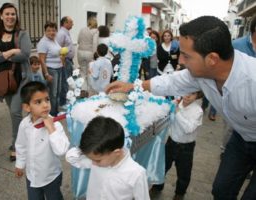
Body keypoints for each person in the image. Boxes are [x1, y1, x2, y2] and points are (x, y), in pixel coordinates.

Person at [106, 16, 256, 199]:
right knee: (221, 190)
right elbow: (172, 81)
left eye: (187, 56)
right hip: (241, 138)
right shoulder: (201, 73)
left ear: (212, 59)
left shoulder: (252, 81)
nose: (182, 61)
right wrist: (133, 86)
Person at [66, 116, 150, 200]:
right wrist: (83, 149)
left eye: (97, 160)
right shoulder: (98, 160)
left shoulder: (136, 174)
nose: (93, 163)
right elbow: (71, 158)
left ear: (116, 153)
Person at [0, 2, 32, 161]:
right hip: (5, 81)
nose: (10, 17)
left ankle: (16, 146)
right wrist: (13, 51)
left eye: (13, 14)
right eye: (7, 14)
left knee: (15, 112)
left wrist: (3, 54)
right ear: (1, 16)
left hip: (21, 79)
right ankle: (27, 136)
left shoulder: (22, 34)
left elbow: (25, 54)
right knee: (15, 114)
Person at [15, 81, 69, 200]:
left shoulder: (55, 125)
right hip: (32, 176)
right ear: (27, 107)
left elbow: (61, 150)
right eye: (38, 102)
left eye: (47, 99)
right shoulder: (24, 124)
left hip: (51, 176)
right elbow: (21, 145)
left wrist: (51, 128)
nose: (45, 105)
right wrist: (20, 164)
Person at [152, 91, 203, 200]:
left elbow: (188, 129)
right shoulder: (176, 103)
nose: (188, 95)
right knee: (163, 165)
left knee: (184, 172)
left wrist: (177, 112)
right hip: (171, 142)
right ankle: (158, 185)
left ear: (197, 96)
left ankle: (180, 193)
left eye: (192, 93)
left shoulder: (197, 111)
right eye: (186, 91)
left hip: (186, 147)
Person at [37, 21, 63, 116]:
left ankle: (56, 111)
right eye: (49, 30)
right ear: (45, 31)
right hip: (51, 70)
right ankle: (52, 114)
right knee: (53, 94)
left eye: (53, 30)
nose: (52, 32)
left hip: (59, 68)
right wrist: (46, 74)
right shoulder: (43, 42)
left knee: (58, 92)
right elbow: (42, 60)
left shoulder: (53, 40)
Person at [56, 16, 75, 109]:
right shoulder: (61, 34)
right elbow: (58, 48)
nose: (73, 24)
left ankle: (65, 99)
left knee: (67, 80)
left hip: (68, 60)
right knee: (65, 81)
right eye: (71, 22)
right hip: (65, 60)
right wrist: (62, 61)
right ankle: (62, 102)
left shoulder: (66, 33)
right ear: (65, 23)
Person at [77, 17, 99, 91]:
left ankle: (82, 90)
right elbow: (95, 43)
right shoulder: (95, 31)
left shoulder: (82, 29)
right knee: (89, 72)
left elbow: (78, 41)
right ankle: (89, 91)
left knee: (82, 72)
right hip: (89, 53)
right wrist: (95, 55)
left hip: (80, 52)